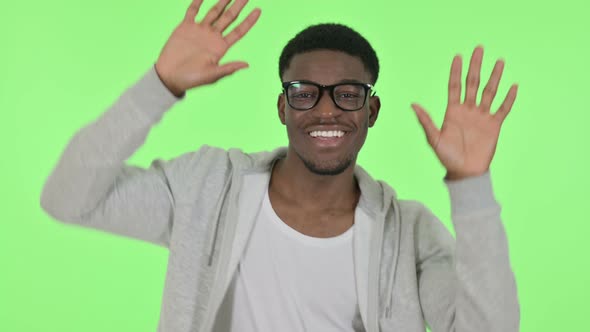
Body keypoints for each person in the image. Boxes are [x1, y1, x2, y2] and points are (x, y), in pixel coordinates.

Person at [40, 0, 520, 331]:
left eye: (348, 94)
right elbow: (67, 198)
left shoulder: (409, 233)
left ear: (370, 113)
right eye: (304, 92)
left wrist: (470, 183)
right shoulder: (206, 191)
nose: (327, 110)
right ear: (283, 108)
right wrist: (160, 85)